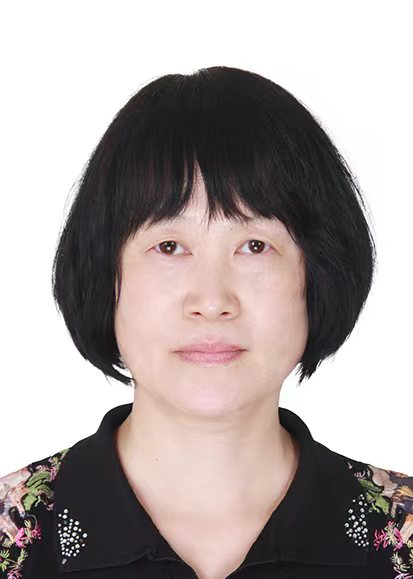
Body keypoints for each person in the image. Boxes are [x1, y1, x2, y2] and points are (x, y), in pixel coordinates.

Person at [1, 66, 412, 579]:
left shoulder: (401, 536)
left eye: (255, 245)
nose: (212, 301)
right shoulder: (13, 539)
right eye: (169, 246)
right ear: (106, 275)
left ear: (320, 273)